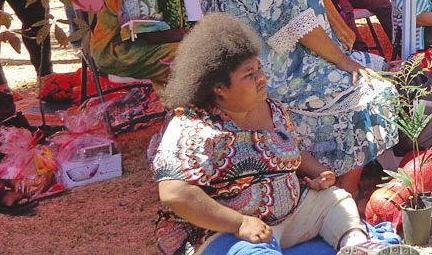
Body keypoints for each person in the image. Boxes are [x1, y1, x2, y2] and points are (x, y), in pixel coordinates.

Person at [152, 13, 411, 255]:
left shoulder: (272, 109)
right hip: (227, 232)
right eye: (249, 75)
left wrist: (318, 172)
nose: (261, 79)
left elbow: (289, 150)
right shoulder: (193, 126)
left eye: (259, 70)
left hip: (292, 215)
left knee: (335, 201)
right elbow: (175, 193)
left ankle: (357, 246)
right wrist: (239, 223)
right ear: (219, 88)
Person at [198, 0, 398, 191]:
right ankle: (347, 188)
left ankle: (339, 175)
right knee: (372, 89)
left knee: (365, 66)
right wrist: (343, 61)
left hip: (237, 70)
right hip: (273, 73)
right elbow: (293, 26)